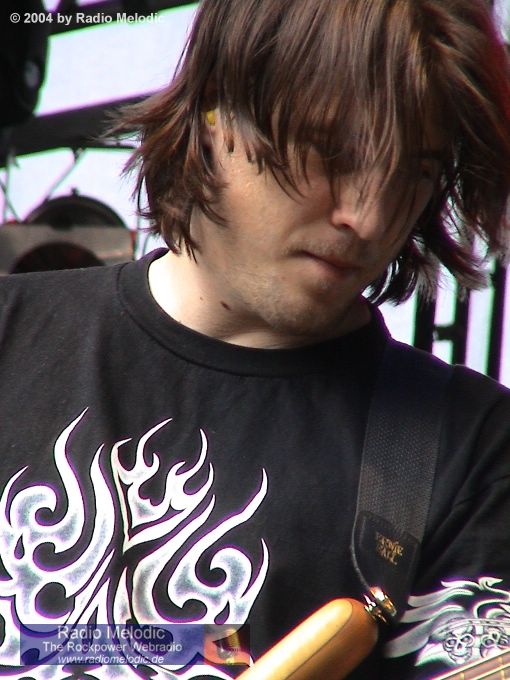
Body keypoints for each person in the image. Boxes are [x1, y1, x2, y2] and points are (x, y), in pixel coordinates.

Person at [1, 0, 510, 678]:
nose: (370, 217)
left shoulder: (470, 448)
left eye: (414, 172)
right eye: (332, 150)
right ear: (216, 108)